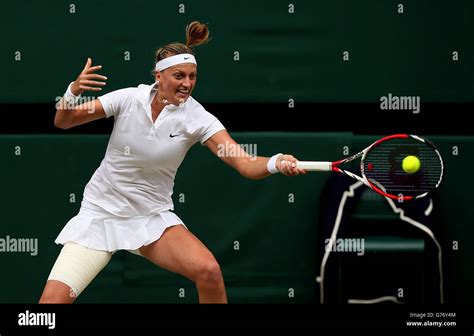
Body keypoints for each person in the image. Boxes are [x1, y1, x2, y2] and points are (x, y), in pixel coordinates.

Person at [39, 21, 305, 304]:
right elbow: (64, 121)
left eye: (193, 76)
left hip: (151, 219)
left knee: (209, 271)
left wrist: (276, 162)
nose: (187, 84)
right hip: (99, 214)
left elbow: (245, 164)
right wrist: (73, 91)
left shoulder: (197, 118)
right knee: (50, 306)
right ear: (158, 75)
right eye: (179, 75)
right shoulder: (128, 98)